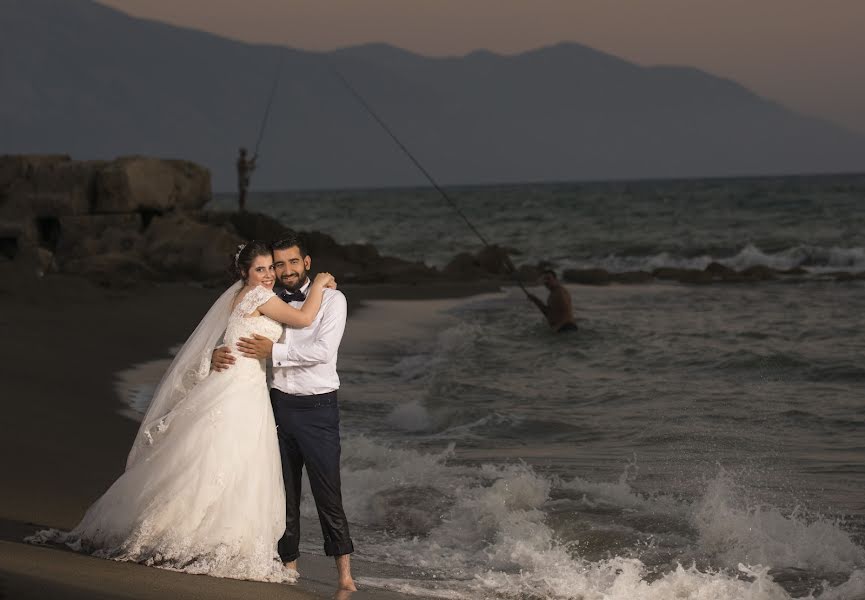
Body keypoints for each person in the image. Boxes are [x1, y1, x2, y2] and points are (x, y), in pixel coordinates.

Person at [26, 241, 336, 583]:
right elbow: (306, 320)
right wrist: (320, 284)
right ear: (245, 273)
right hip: (241, 391)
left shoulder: (238, 297)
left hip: (234, 385)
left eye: (270, 268)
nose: (267, 276)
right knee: (228, 463)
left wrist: (220, 351)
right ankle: (208, 538)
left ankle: (197, 533)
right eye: (259, 269)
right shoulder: (260, 296)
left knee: (212, 462)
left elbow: (227, 338)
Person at [212, 231, 356, 592]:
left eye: (293, 261)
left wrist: (273, 353)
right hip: (275, 404)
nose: (285, 269)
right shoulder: (266, 296)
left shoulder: (333, 300)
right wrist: (216, 352)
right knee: (283, 495)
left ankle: (345, 574)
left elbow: (322, 351)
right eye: (279, 264)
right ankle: (288, 568)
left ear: (307, 263)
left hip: (318, 407)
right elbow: (235, 329)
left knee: (328, 492)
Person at [236, 147, 257, 212]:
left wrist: (254, 159)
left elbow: (248, 164)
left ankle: (242, 208)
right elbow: (246, 166)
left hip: (244, 179)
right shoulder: (241, 160)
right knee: (243, 194)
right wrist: (252, 166)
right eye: (244, 152)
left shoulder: (242, 160)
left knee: (243, 194)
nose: (245, 153)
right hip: (243, 180)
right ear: (243, 153)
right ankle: (241, 208)